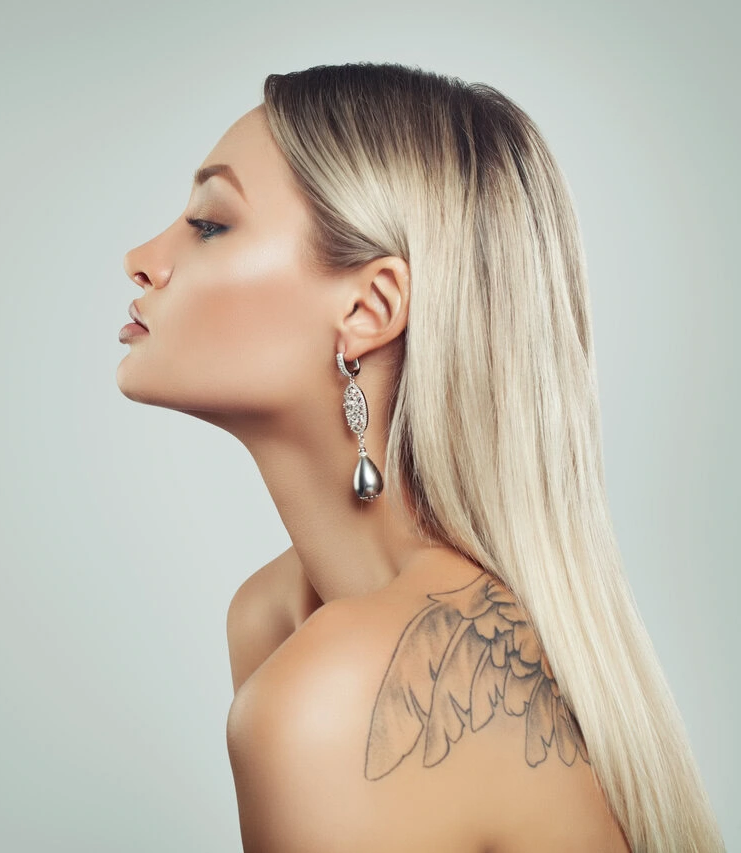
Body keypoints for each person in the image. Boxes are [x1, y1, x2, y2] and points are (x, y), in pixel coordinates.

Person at [115, 62, 724, 852]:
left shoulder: (335, 692)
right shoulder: (276, 618)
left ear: (369, 307)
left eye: (209, 224)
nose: (142, 257)